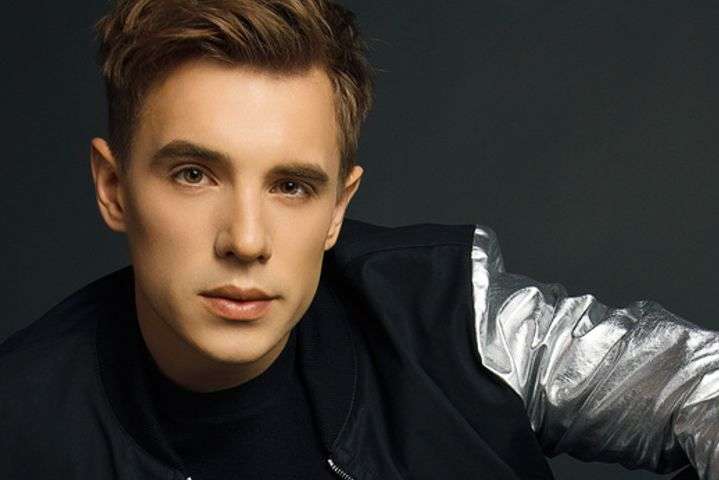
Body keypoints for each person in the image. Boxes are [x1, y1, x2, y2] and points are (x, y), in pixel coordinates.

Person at [0, 1, 715, 479]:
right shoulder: (21, 426)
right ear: (113, 187)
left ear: (338, 208)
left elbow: (695, 382)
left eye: (291, 186)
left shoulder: (450, 324)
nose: (246, 239)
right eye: (194, 174)